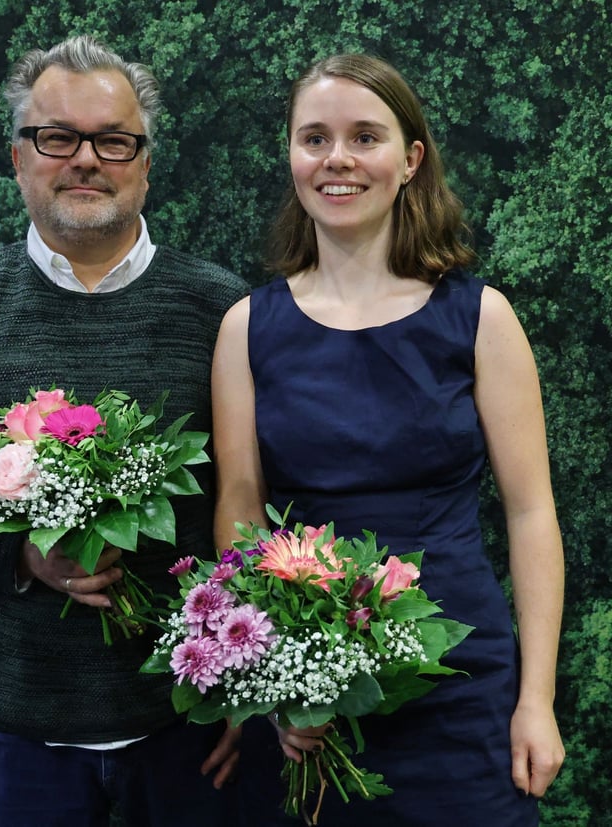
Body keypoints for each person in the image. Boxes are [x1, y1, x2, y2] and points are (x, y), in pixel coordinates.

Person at [0, 35, 247, 827]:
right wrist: (21, 556)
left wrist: (251, 687)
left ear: (145, 162)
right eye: (57, 138)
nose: (85, 160)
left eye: (112, 140)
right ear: (17, 158)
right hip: (21, 730)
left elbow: (258, 503)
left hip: (189, 726)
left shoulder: (222, 308)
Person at [213, 53, 565, 825]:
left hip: (463, 682)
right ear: (291, 156)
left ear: (410, 161)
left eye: (364, 137)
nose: (337, 159)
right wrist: (270, 687)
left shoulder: (481, 318)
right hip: (312, 703)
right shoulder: (246, 329)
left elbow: (532, 512)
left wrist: (536, 698)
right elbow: (240, 515)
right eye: (314, 138)